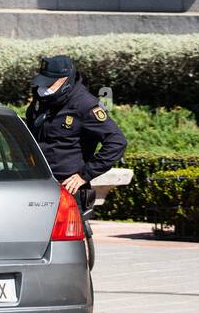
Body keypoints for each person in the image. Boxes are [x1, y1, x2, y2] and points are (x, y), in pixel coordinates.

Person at [23, 55, 127, 207]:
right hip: (39, 184)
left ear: (66, 79)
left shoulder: (84, 105)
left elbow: (117, 142)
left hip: (68, 190)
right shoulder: (42, 99)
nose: (45, 87)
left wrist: (84, 175)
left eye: (50, 82)